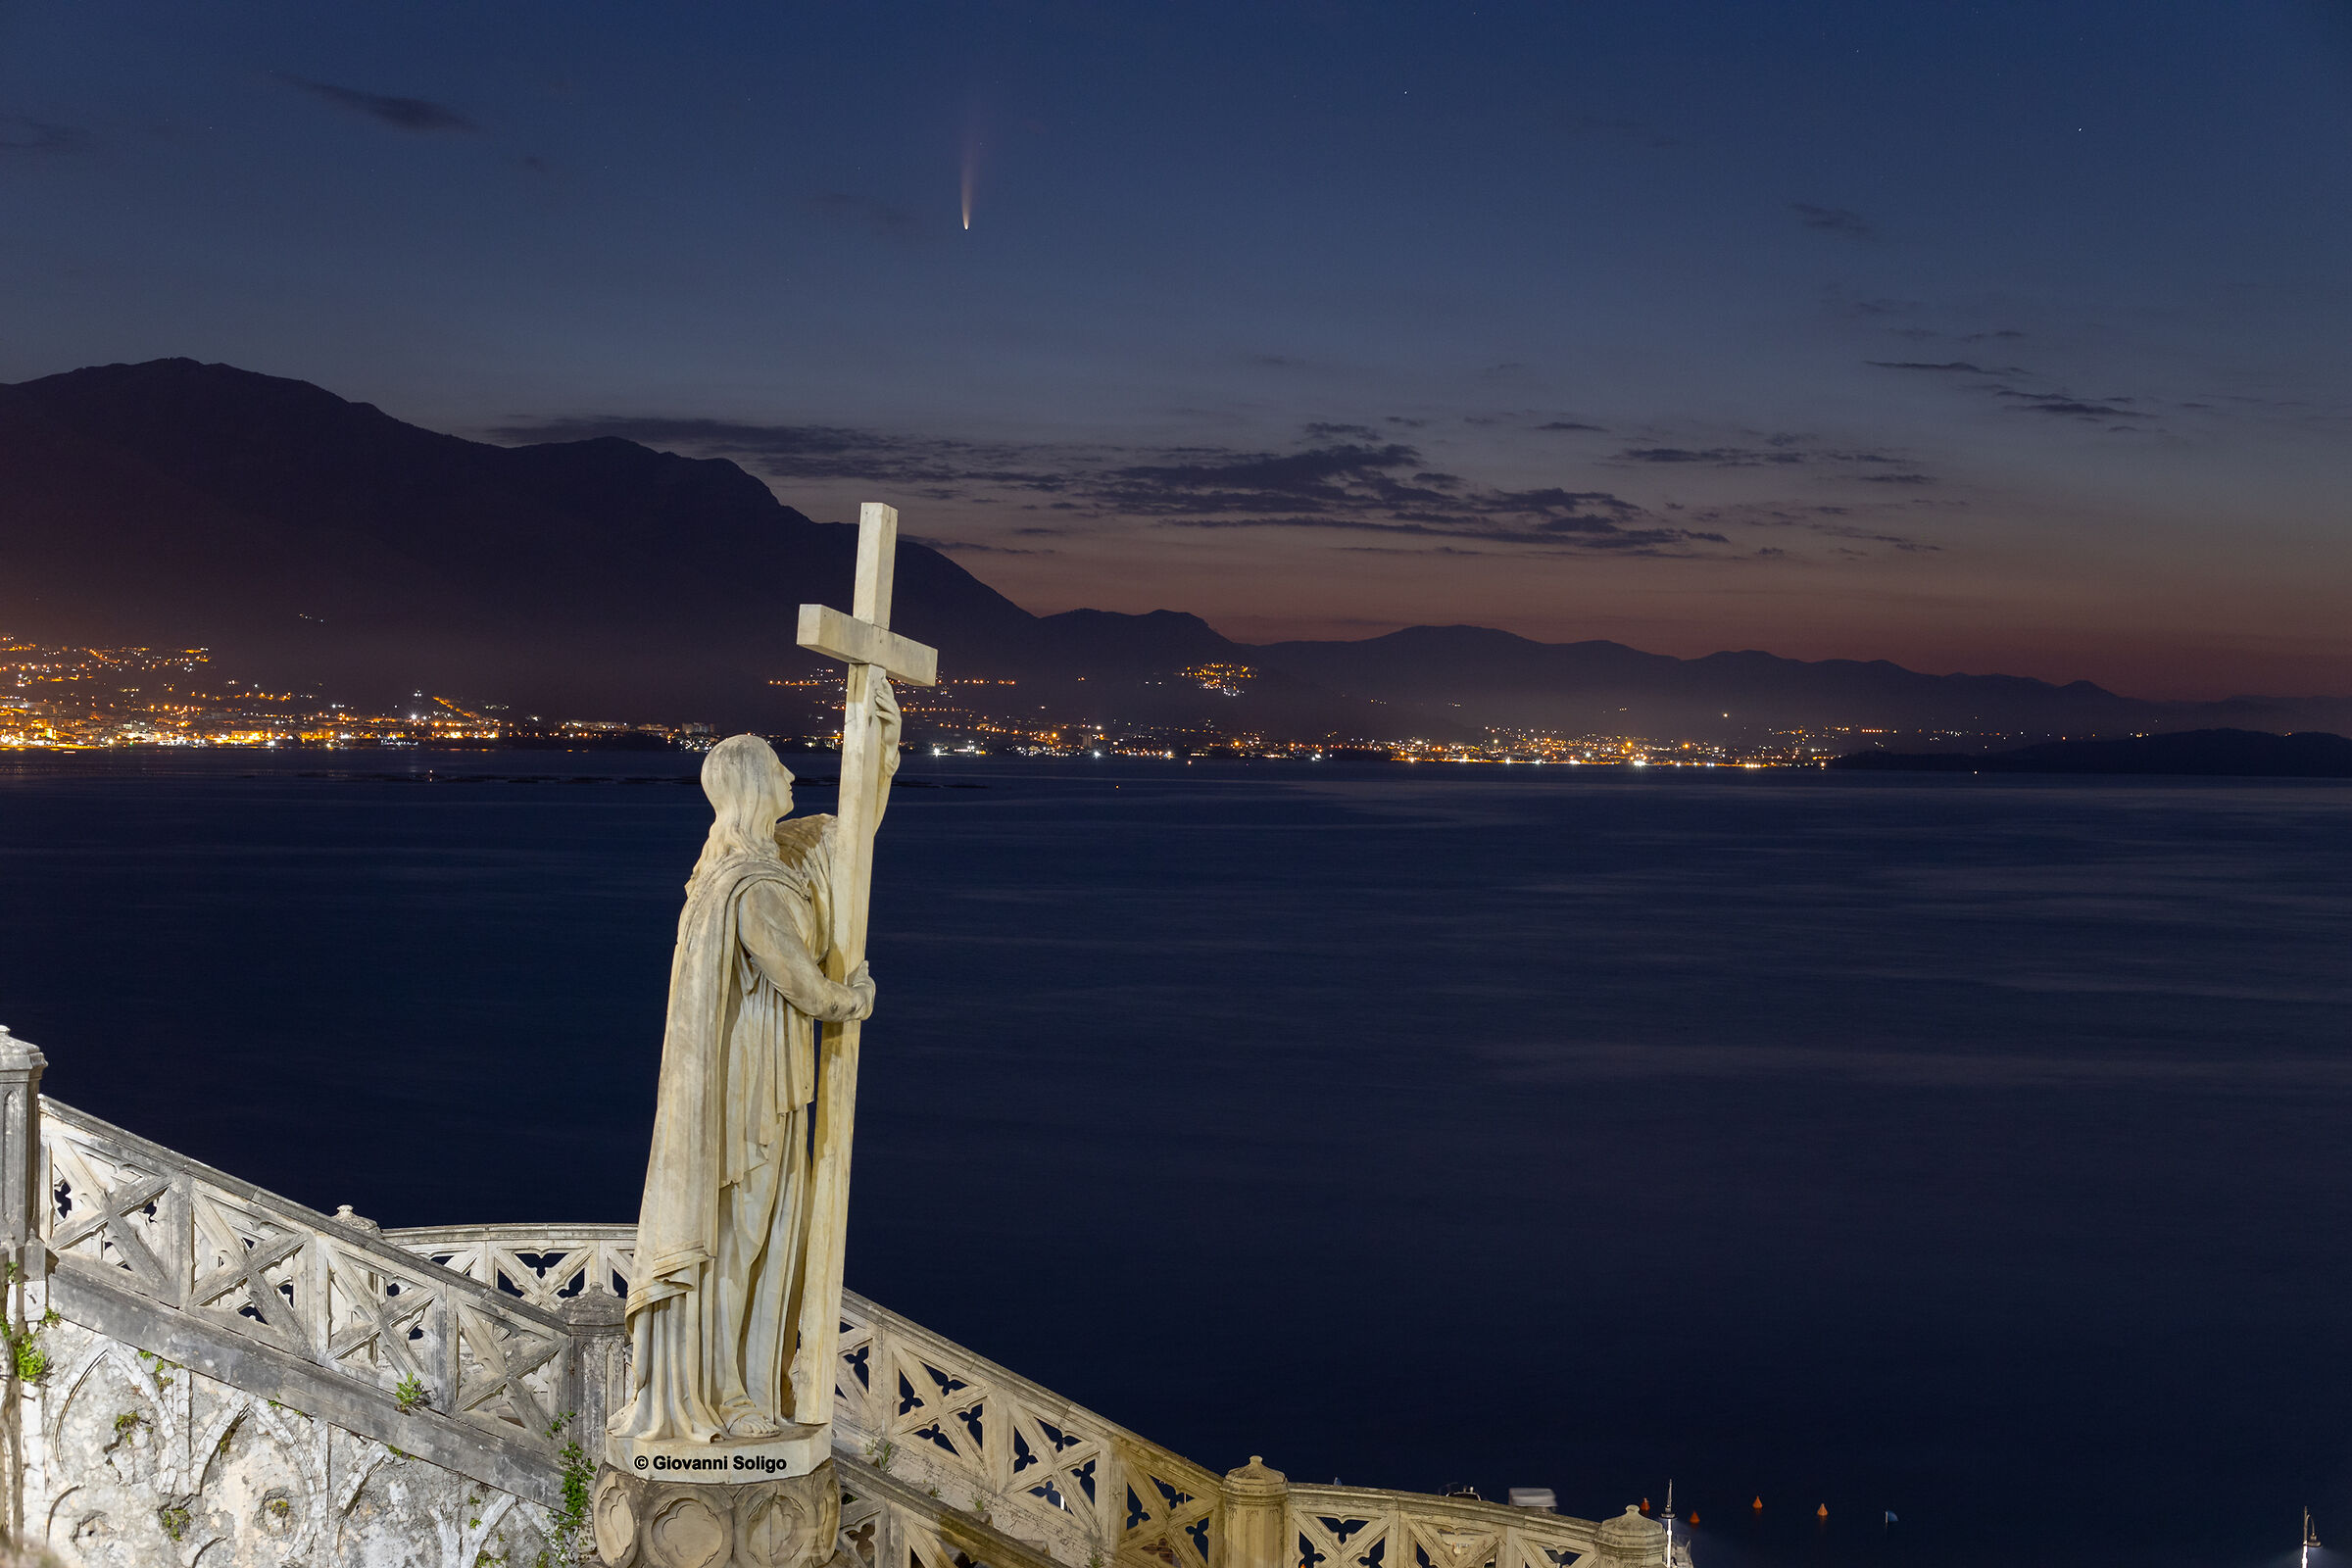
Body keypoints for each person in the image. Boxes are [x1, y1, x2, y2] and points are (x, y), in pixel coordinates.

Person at [611, 687, 901, 1443]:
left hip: (763, 1078)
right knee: (744, 1233)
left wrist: (880, 749)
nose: (791, 777)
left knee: (756, 1233)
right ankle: (728, 1392)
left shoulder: (758, 866)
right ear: (749, 785)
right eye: (777, 769)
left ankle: (738, 1383)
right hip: (749, 1093)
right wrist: (857, 999)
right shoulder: (753, 885)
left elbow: (851, 837)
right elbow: (801, 983)